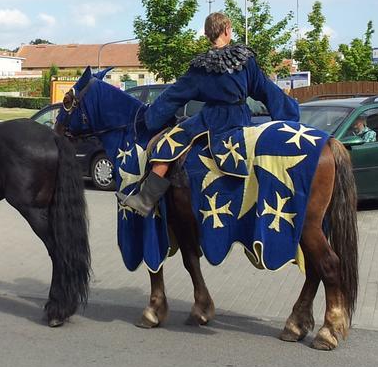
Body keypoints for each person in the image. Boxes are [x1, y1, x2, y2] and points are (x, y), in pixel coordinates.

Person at [118, 12, 300, 217]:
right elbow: (266, 89)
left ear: (207, 35)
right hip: (241, 119)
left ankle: (145, 199)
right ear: (227, 30)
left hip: (211, 119)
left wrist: (152, 118)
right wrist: (290, 114)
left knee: (166, 144)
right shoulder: (244, 59)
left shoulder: (201, 66)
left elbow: (175, 95)